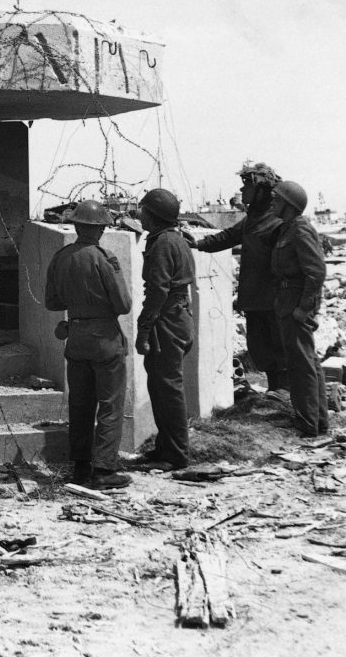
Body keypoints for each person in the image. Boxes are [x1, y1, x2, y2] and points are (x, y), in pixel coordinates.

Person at [45, 200, 132, 489]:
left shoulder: (60, 257)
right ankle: (104, 470)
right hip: (105, 339)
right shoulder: (104, 257)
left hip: (76, 336)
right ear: (100, 229)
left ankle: (81, 468)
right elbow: (123, 304)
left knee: (80, 405)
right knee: (110, 405)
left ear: (77, 225)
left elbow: (51, 302)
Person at [191, 162, 286, 392]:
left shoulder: (278, 222)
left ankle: (285, 399)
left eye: (246, 187)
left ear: (261, 190)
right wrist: (197, 243)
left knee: (280, 354)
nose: (242, 191)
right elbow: (226, 237)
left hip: (273, 302)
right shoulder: (252, 220)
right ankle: (276, 396)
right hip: (254, 300)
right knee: (261, 353)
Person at [135, 188, 195, 471]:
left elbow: (157, 291)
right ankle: (165, 448)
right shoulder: (176, 239)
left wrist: (143, 328)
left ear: (153, 215)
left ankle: (175, 455)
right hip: (178, 316)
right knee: (160, 386)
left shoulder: (161, 244)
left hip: (167, 319)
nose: (140, 215)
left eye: (143, 210)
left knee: (168, 388)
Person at [269, 181, 328, 437]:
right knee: (308, 362)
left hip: (295, 303)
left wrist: (303, 308)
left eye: (276, 199)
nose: (272, 202)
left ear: (288, 204)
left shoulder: (300, 230)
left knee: (301, 364)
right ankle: (317, 421)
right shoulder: (287, 229)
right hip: (289, 300)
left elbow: (316, 272)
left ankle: (307, 422)